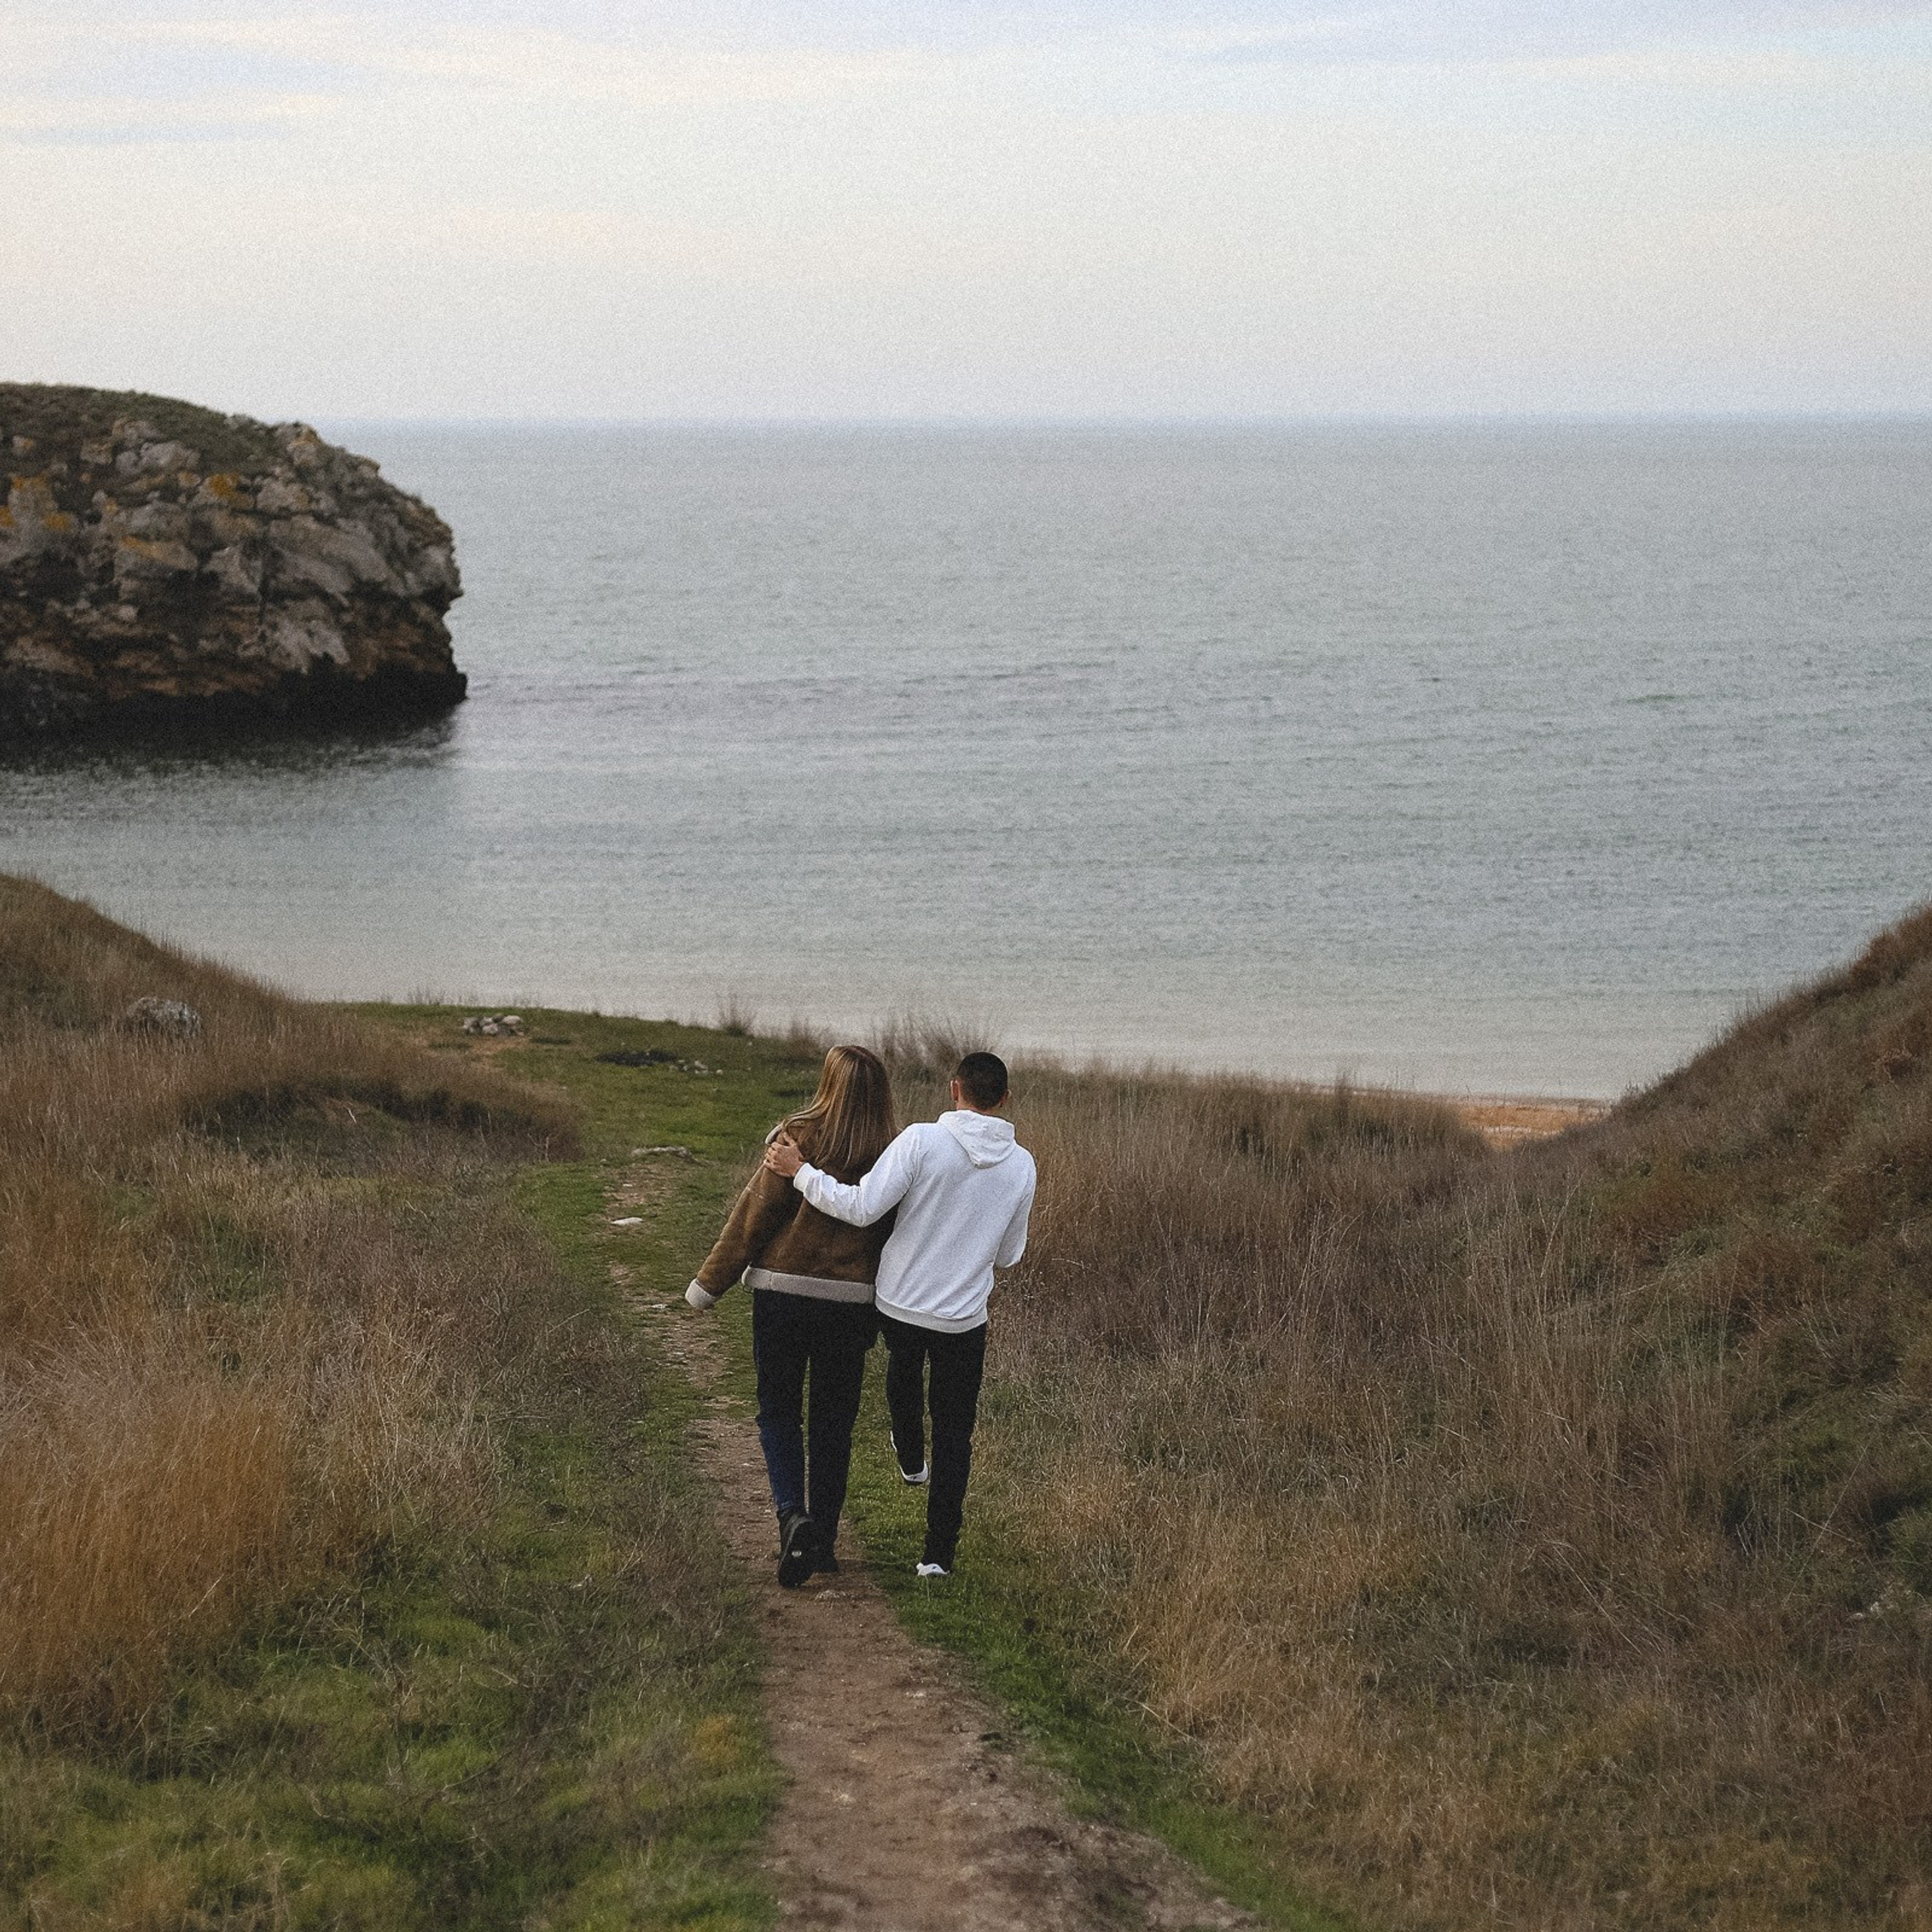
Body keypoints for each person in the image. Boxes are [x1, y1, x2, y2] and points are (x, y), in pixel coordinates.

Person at [765, 1051, 1035, 1579]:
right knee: (956, 1435)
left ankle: (910, 1454)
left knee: (904, 1373)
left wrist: (800, 1174)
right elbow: (1008, 1256)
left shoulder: (919, 1141)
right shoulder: (1022, 1164)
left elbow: (862, 1207)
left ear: (954, 1089)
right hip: (963, 1318)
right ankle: (937, 1557)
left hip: (898, 1304)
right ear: (1004, 1099)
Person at [685, 1044, 897, 1588]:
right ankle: (822, 1541)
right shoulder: (894, 1153)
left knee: (779, 1410)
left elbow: (753, 1217)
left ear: (828, 1083)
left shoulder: (796, 1137)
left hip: (783, 1294)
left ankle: (790, 1516)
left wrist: (709, 1285)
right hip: (851, 1306)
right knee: (834, 1425)